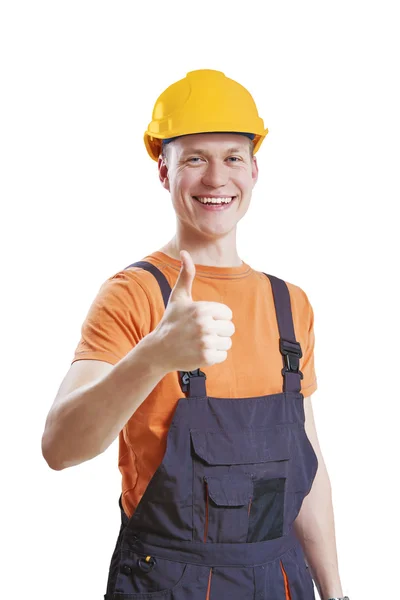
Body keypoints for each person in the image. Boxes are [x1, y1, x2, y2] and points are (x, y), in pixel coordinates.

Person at [41, 69, 349, 600]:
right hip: (168, 584)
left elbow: (310, 472)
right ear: (164, 171)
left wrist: (336, 592)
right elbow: (59, 448)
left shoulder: (289, 305)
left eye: (232, 157)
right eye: (194, 159)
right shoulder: (133, 294)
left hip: (281, 581)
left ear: (255, 169)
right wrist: (153, 357)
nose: (216, 178)